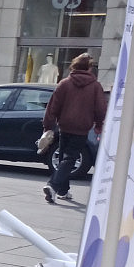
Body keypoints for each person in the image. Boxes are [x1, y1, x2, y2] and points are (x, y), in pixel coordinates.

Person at [41, 53, 106, 204]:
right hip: (82, 127)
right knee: (69, 159)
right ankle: (53, 185)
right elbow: (101, 109)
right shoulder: (95, 86)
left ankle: (63, 190)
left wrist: (48, 126)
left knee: (65, 158)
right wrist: (99, 124)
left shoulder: (64, 84)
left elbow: (52, 107)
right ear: (89, 68)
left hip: (65, 126)